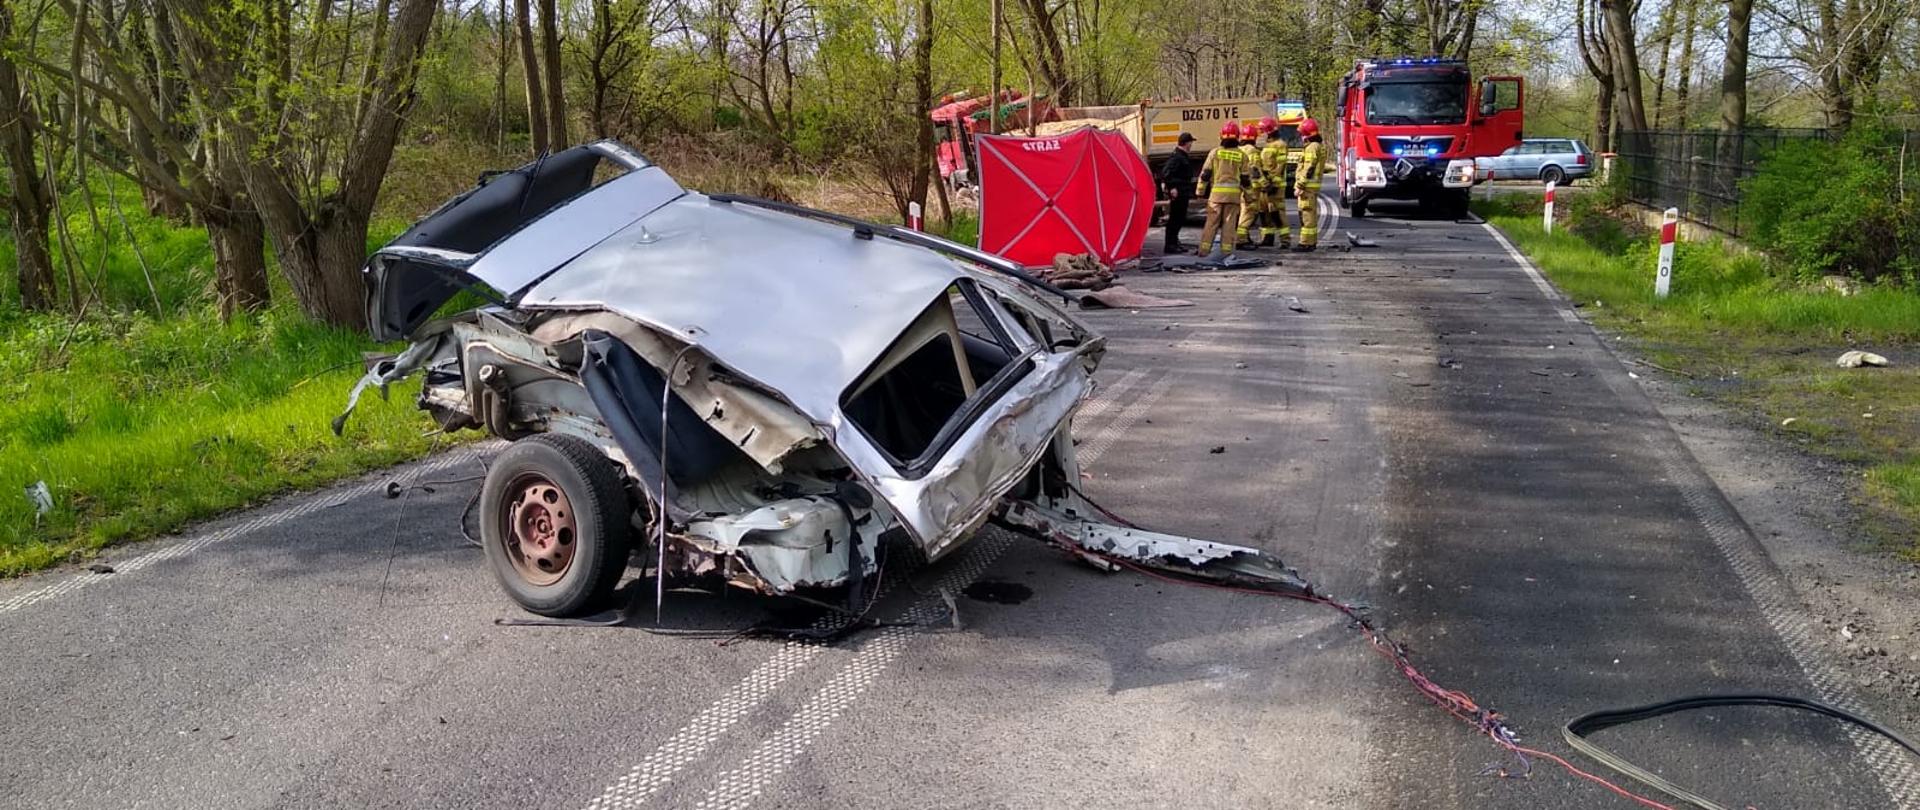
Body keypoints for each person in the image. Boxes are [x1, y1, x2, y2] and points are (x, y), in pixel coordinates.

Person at [1195, 121, 1249, 258]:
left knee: (1211, 223)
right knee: (1229, 225)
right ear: (1237, 137)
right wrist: (1250, 197)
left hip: (1216, 197)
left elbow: (1205, 174)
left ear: (1222, 136)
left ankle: (1203, 251)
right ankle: (1226, 253)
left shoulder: (1215, 153)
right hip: (1233, 197)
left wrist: (1200, 192)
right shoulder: (1242, 155)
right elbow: (1245, 179)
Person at [1158, 132, 1197, 254]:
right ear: (1187, 143)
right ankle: (1170, 245)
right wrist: (1172, 187)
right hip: (1178, 192)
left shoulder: (1182, 156)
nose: (1191, 145)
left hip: (1182, 191)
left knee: (1179, 219)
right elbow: (1166, 173)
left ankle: (1174, 242)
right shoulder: (1177, 157)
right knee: (1175, 219)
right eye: (1191, 142)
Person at [1235, 119, 1270, 249]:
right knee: (1249, 212)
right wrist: (1265, 183)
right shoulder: (1252, 151)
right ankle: (1241, 239)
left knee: (1244, 211)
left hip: (1240, 187)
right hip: (1252, 187)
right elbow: (1255, 169)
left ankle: (1244, 238)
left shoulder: (1238, 149)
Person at [1291, 118, 1325, 252]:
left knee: (1307, 216)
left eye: (1303, 133)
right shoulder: (1317, 147)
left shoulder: (1312, 148)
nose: (1301, 136)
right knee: (1309, 215)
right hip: (1311, 187)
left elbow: (1309, 168)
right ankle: (1310, 242)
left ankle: (1306, 243)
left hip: (1307, 188)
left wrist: (1300, 185)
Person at [1258, 118, 1291, 248]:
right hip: (1266, 185)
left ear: (1269, 131)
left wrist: (1274, 184)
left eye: (1263, 131)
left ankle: (1285, 240)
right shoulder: (1267, 145)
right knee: (1264, 212)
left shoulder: (1280, 145)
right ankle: (1267, 238)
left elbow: (1280, 167)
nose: (1262, 134)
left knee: (1277, 213)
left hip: (1275, 186)